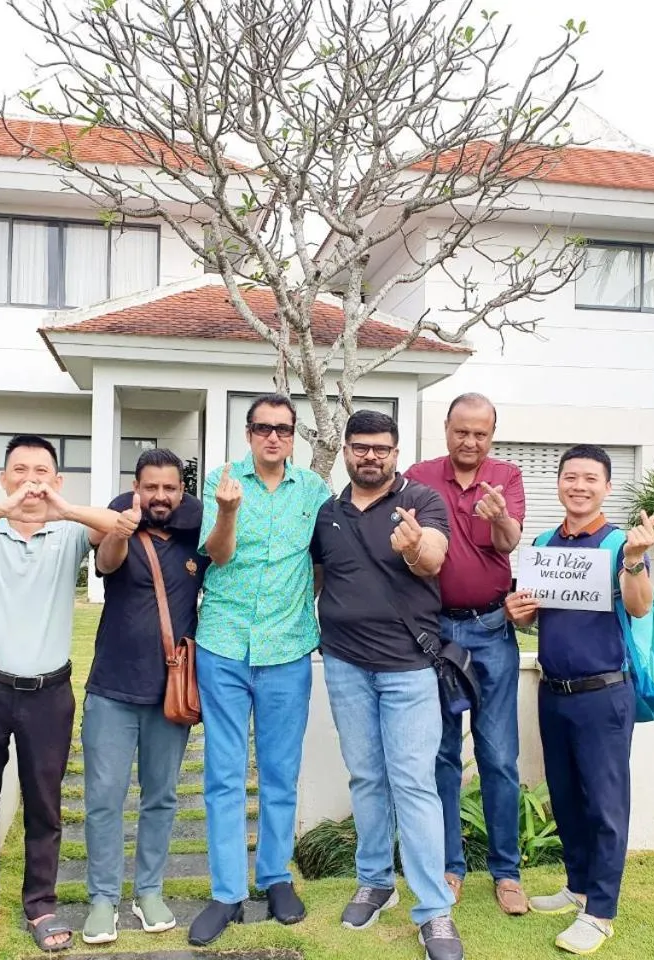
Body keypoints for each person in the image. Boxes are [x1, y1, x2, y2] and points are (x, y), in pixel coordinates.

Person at [0, 435, 123, 953]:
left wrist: (62, 508)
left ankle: (41, 905)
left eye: (41, 472)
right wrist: (3, 508)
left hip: (49, 693)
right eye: (20, 470)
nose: (31, 480)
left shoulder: (69, 532)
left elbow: (118, 526)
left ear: (57, 480)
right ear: (4, 478)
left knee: (45, 804)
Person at [311, 409, 464, 960]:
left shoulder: (421, 501)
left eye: (381, 448)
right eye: (360, 447)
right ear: (347, 452)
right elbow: (319, 578)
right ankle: (375, 881)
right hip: (345, 665)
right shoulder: (328, 513)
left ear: (396, 453)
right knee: (366, 778)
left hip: (408, 667)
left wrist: (414, 546)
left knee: (414, 784)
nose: (370, 456)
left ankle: (433, 910)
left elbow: (434, 560)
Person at [187, 394, 331, 947]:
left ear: (293, 436)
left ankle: (275, 877)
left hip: (288, 650)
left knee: (279, 771)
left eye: (284, 429)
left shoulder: (313, 491)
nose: (274, 436)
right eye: (264, 427)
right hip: (224, 645)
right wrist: (227, 511)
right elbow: (217, 555)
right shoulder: (222, 482)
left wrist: (302, 606)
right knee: (223, 774)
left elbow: (323, 561)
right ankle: (226, 892)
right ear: (248, 433)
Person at [504, 444, 654, 956]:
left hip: (604, 694)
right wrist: (519, 610)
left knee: (605, 804)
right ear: (559, 484)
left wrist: (634, 561)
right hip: (553, 692)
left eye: (590, 478)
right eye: (571, 477)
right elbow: (534, 615)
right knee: (566, 796)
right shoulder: (544, 544)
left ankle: (601, 913)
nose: (579, 486)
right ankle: (578, 886)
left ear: (607, 487)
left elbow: (639, 607)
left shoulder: (620, 544)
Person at [404, 393, 529, 914]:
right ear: (446, 428)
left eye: (480, 433)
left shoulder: (507, 476)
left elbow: (510, 542)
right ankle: (449, 866)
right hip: (434, 636)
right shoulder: (418, 476)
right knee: (441, 754)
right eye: (462, 431)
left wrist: (498, 518)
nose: (470, 442)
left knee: (498, 756)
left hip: (491, 631)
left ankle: (506, 872)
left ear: (491, 436)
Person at [81, 448, 207, 943]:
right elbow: (106, 563)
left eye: (169, 487)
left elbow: (222, 543)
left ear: (182, 490)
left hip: (170, 693)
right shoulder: (121, 523)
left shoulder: (196, 533)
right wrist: (121, 527)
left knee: (161, 797)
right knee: (104, 798)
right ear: (136, 487)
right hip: (112, 687)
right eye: (150, 486)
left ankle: (149, 890)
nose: (160, 495)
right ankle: (103, 897)